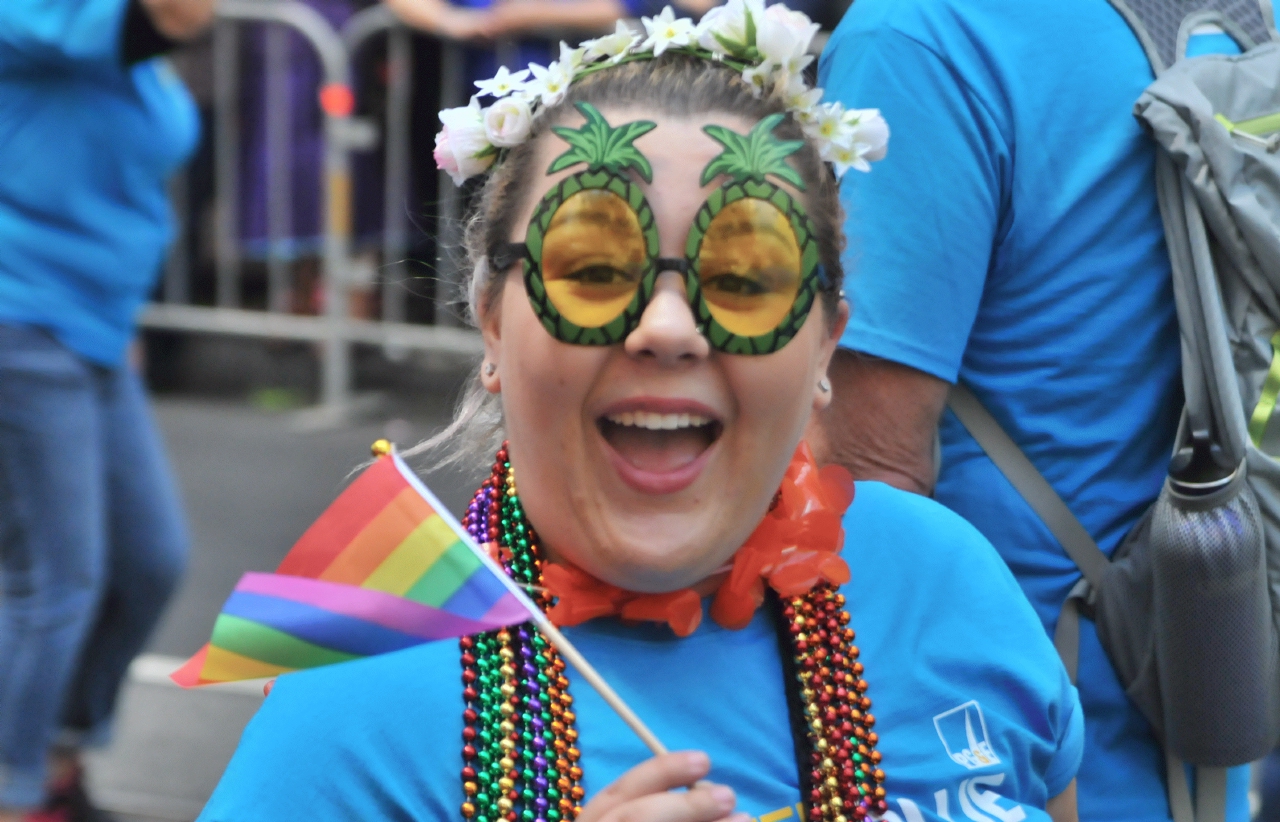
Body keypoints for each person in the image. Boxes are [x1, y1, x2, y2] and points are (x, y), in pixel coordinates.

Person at [197, 6, 1082, 820]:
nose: (666, 328)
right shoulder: (355, 697)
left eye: (743, 280)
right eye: (591, 271)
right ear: (493, 325)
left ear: (824, 346)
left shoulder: (947, 580)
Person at [811, 1, 1251, 820]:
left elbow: (865, 481)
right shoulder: (1237, 16)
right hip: (1211, 709)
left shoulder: (925, 34)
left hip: (1005, 763)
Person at [0, 0, 210, 818]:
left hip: (95, 328)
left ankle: (56, 755)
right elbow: (171, 17)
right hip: (20, 321)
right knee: (58, 579)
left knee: (148, 559)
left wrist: (123, 321)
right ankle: (17, 793)